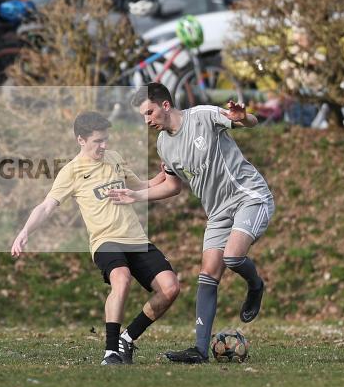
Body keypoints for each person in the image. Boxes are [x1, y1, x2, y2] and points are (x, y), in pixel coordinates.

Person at [110, 84, 274, 364]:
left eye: (149, 112)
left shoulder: (203, 116)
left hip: (249, 196)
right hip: (218, 212)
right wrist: (136, 196)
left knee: (233, 257)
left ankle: (255, 285)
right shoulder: (164, 144)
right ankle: (199, 350)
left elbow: (250, 122)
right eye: (142, 116)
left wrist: (243, 117)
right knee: (207, 276)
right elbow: (173, 186)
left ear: (165, 105)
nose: (147, 120)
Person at [11, 111, 180, 365]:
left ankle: (128, 338)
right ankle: (111, 351)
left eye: (105, 139)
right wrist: (25, 231)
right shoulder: (72, 171)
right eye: (97, 141)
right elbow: (47, 206)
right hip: (105, 240)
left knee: (170, 289)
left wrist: (167, 172)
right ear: (81, 140)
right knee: (121, 279)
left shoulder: (114, 158)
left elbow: (140, 186)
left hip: (135, 239)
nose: (104, 145)